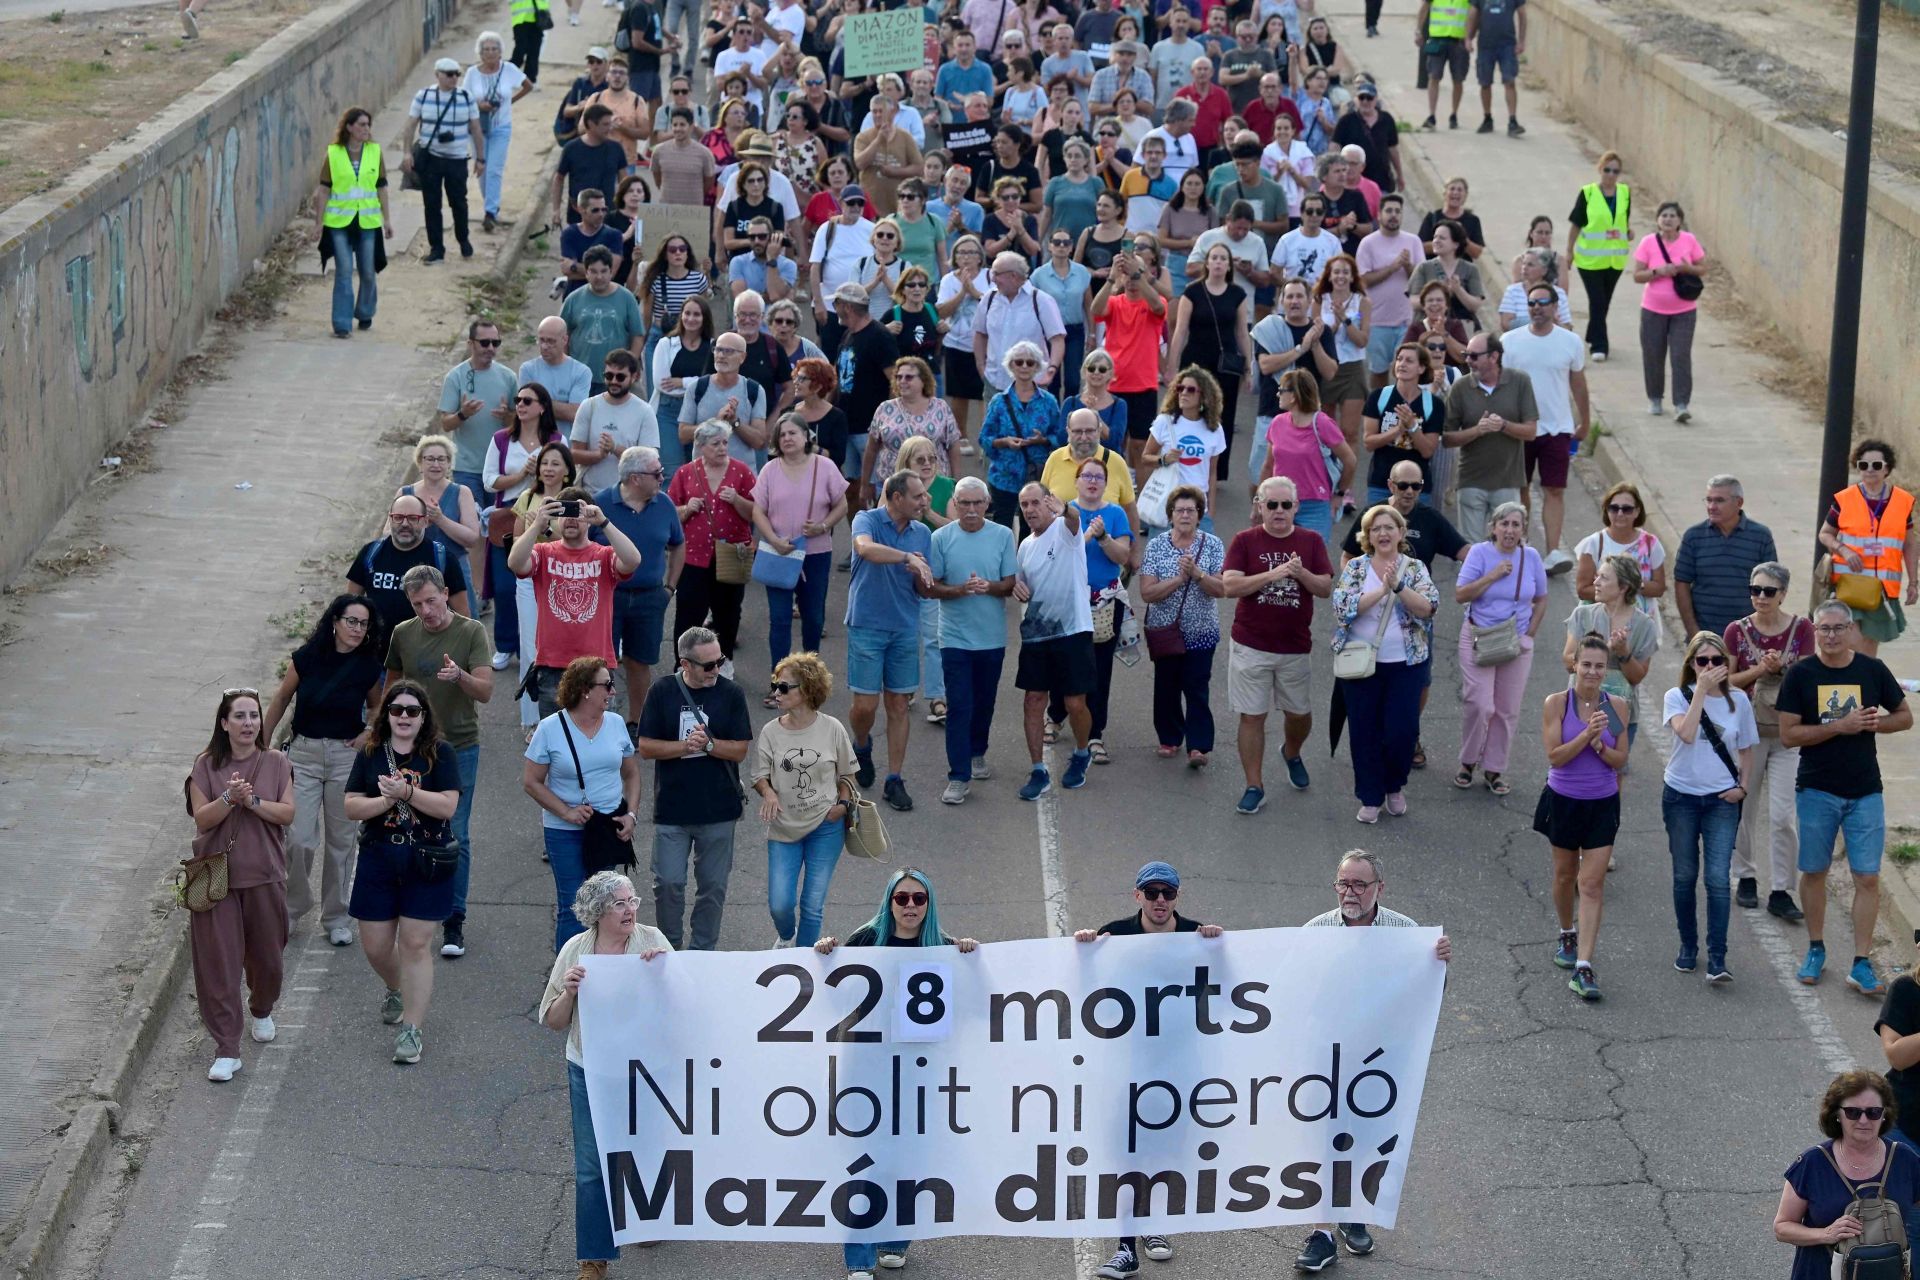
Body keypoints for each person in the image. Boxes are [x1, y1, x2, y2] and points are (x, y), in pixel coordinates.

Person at [813, 868, 979, 1279]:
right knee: (864, 1162)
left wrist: (973, 963)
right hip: (865, 1069)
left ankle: (895, 1239)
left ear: (929, 904)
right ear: (889, 902)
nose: (909, 906)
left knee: (907, 1161)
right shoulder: (865, 940)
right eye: (901, 898)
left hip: (918, 1074)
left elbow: (972, 1009)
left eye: (918, 899)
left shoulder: (943, 947)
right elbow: (834, 1000)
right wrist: (825, 958)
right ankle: (858, 1256)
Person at [1295, 849, 1452, 1270]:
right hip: (1326, 1056)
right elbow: (1291, 992)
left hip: (1383, 1059)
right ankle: (1321, 1232)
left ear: (1379, 888)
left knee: (1365, 1139)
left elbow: (1427, 995)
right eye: (1343, 883)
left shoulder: (1406, 932)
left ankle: (1352, 1213)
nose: (1350, 892)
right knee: (1322, 1139)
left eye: (1360, 884)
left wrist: (1438, 965)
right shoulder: (1315, 931)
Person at [1075, 859, 1226, 1280]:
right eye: (1152, 892)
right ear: (1137, 895)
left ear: (1177, 897)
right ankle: (1126, 1246)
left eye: (1169, 893)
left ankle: (1150, 1223)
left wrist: (1217, 947)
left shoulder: (1197, 935)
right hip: (1128, 1061)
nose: (1161, 901)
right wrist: (1086, 947)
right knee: (1128, 1150)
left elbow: (1230, 987)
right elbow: (1085, 983)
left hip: (1179, 1063)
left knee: (1161, 1150)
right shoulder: (1117, 933)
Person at [1780, 598, 1914, 995]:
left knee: (1867, 876)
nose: (1833, 635)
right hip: (1817, 789)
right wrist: (1841, 725)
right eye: (1825, 629)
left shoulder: (1871, 670)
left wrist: (1876, 724)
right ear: (1814, 630)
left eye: (1839, 628)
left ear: (1852, 629)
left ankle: (1861, 962)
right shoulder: (1801, 674)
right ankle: (1816, 949)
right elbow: (1789, 734)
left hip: (1865, 791)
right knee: (1815, 871)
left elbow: (1904, 717)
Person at [540, 872, 670, 1280]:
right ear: (598, 912)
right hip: (589, 1067)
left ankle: (646, 1217)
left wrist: (662, 973)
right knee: (593, 1165)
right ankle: (594, 1257)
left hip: (644, 1067)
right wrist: (570, 992)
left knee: (647, 1146)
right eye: (620, 903)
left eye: (632, 900)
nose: (630, 909)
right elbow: (554, 1021)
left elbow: (686, 1000)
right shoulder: (575, 951)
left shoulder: (651, 941)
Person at [344, 679, 461, 1063]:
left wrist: (407, 793)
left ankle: (412, 1029)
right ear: (386, 715)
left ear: (424, 716)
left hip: (425, 860)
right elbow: (351, 806)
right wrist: (385, 800)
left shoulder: (440, 753)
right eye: (397, 710)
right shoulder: (372, 753)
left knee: (414, 944)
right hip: (379, 856)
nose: (405, 717)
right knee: (376, 947)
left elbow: (447, 807)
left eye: (413, 711)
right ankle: (396, 986)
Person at [183, 690, 294, 1083]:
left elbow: (287, 812)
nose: (249, 723)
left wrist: (253, 802)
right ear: (224, 723)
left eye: (254, 716)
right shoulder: (205, 766)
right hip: (214, 878)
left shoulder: (277, 761)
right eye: (240, 716)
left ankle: (261, 1008)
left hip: (264, 876)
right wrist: (229, 797)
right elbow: (202, 819)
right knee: (218, 965)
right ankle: (227, 1048)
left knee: (269, 960)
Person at [261, 597, 385, 948]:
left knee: (342, 842)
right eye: (352, 621)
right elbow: (282, 698)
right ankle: (293, 906)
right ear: (335, 621)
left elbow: (377, 705)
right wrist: (263, 746)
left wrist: (368, 733)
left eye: (364, 624)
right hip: (303, 754)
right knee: (298, 837)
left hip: (346, 757)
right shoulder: (308, 656)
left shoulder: (368, 665)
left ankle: (336, 917)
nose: (358, 629)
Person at [383, 567, 492, 958]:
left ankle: (454, 919)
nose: (427, 610)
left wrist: (459, 675)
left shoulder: (470, 632)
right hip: (413, 748)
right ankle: (415, 911)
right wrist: (379, 732)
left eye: (432, 600)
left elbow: (486, 692)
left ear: (446, 593)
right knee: (409, 827)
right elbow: (391, 689)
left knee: (454, 833)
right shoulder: (403, 634)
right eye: (417, 604)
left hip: (460, 745)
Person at [635, 627, 752, 950]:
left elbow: (740, 749)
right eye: (708, 665)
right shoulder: (662, 691)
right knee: (669, 883)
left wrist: (711, 745)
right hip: (672, 809)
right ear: (685, 664)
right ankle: (669, 949)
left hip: (719, 810)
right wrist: (685, 747)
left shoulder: (731, 694)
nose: (717, 670)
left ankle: (702, 952)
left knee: (713, 887)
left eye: (720, 661)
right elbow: (645, 747)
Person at [1223, 475, 1333, 813]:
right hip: (1251, 645)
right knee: (1252, 717)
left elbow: (1325, 588)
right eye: (1272, 505)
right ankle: (1254, 785)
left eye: (1286, 505)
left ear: (1297, 507)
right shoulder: (1245, 540)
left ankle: (1291, 752)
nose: (1280, 511)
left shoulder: (1311, 541)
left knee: (1299, 715)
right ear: (1260, 506)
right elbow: (1230, 586)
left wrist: (1300, 574)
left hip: (1294, 647)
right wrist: (1273, 574)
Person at [523, 655, 640, 957]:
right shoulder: (550, 729)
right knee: (573, 905)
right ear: (586, 690)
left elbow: (631, 773)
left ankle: (601, 972)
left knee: (604, 904)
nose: (612, 691)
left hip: (606, 827)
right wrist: (566, 811)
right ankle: (567, 981)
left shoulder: (615, 724)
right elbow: (531, 781)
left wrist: (631, 814)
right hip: (564, 830)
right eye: (607, 685)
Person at [1536, 632, 1629, 1001]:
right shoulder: (1556, 704)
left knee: (1590, 884)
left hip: (1602, 803)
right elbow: (1555, 756)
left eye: (1599, 666)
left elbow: (1621, 760)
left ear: (1607, 670)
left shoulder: (1616, 707)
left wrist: (1602, 747)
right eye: (1586, 664)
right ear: (1574, 664)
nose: (1592, 672)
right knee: (1564, 876)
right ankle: (1566, 931)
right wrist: (1587, 736)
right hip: (1563, 799)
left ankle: (1584, 966)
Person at [1332, 503, 1439, 823]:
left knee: (1401, 732)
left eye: (1388, 527)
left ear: (1400, 533)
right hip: (1361, 663)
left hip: (1406, 664)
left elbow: (1429, 608)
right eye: (1375, 528)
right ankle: (1369, 795)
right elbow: (1342, 608)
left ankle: (1394, 786)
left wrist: (1399, 587)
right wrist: (1381, 591)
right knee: (1364, 731)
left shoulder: (1415, 568)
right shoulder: (1356, 568)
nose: (1382, 533)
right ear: (1367, 535)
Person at [1662, 629, 1756, 982]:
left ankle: (1718, 957)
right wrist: (1700, 690)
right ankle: (1688, 947)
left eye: (1718, 660)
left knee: (1718, 879)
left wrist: (1742, 788)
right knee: (1685, 876)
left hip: (1722, 801)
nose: (1711, 666)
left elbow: (1747, 748)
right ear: (1691, 663)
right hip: (1681, 797)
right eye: (1703, 660)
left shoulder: (1739, 701)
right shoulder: (1676, 696)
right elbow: (1685, 733)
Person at [1725, 561, 1814, 919]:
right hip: (1748, 735)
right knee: (1744, 807)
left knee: (1782, 816)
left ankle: (1781, 888)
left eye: (1768, 591)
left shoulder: (1802, 629)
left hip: (1787, 736)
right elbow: (1726, 680)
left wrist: (1782, 669)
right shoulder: (1736, 630)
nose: (1760, 597)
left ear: (1783, 594)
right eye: (1755, 590)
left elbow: (1807, 680)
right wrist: (1761, 670)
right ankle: (1745, 875)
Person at [509, 488, 643, 723]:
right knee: (557, 744)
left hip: (596, 665)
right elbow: (515, 562)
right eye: (565, 512)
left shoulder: (604, 555)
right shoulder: (542, 551)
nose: (571, 519)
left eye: (577, 512)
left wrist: (604, 522)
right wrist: (537, 525)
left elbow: (633, 560)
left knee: (598, 740)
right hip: (552, 664)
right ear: (556, 519)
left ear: (589, 518)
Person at [751, 651, 857, 946]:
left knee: (812, 904)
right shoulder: (770, 732)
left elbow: (848, 773)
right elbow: (758, 775)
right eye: (776, 685)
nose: (776, 692)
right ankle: (787, 937)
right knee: (780, 904)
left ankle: (803, 962)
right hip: (784, 827)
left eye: (784, 687)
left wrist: (842, 806)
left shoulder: (832, 728)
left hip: (826, 826)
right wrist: (768, 792)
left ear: (807, 690)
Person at [925, 477, 1019, 803]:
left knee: (984, 703)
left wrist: (988, 587)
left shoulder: (1003, 535)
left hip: (991, 638)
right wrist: (958, 590)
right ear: (955, 503)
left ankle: (977, 751)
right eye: (964, 503)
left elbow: (1010, 583)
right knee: (959, 706)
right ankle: (958, 775)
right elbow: (930, 586)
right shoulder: (940, 538)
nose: (971, 510)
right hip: (954, 639)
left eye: (977, 503)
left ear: (987, 504)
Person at [847, 471, 937, 810]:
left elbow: (923, 588)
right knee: (865, 707)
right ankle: (861, 743)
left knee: (899, 706)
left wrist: (921, 577)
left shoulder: (922, 533)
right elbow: (864, 549)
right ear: (896, 498)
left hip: (903, 627)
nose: (924, 501)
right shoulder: (866, 519)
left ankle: (894, 779)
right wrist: (906, 558)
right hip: (866, 625)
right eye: (917, 496)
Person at [1775, 1070, 1920, 1280]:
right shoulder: (1813, 1163)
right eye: (1853, 1112)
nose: (1864, 1120)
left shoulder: (1905, 1159)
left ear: (1884, 1114)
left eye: (1873, 1112)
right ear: (1837, 1115)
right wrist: (1825, 1234)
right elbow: (1782, 1227)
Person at [1455, 502, 1549, 795]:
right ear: (1493, 527)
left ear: (1523, 530)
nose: (1509, 530)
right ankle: (1468, 761)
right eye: (1504, 524)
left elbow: (1542, 597)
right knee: (1480, 704)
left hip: (1515, 641)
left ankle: (1494, 768)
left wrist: (1530, 634)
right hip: (1479, 636)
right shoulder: (1480, 554)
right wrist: (1492, 576)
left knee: (1507, 710)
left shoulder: (1531, 557)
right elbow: (1461, 594)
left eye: (1516, 525)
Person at [1044, 456, 1132, 763]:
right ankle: (1055, 715)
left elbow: (1123, 556)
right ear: (1077, 481)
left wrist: (1105, 536)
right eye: (1087, 476)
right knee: (1062, 662)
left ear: (1106, 484)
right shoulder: (1064, 511)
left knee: (1099, 668)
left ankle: (1094, 734)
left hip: (1104, 603)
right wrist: (1089, 534)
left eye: (1099, 477)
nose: (1093, 481)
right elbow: (1060, 555)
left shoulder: (1116, 513)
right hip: (1068, 601)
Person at [595, 446, 684, 734]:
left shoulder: (665, 505)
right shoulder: (600, 506)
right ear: (635, 478)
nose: (662, 478)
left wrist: (670, 587)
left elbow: (678, 544)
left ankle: (637, 721)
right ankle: (596, 722)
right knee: (600, 663)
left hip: (649, 598)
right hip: (609, 597)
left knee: (640, 661)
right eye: (657, 473)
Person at [753, 414, 848, 676]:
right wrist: (772, 539)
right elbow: (757, 511)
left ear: (806, 437)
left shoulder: (825, 466)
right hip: (779, 553)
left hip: (815, 553)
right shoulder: (769, 470)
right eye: (782, 434)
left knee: (813, 618)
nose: (787, 438)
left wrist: (823, 526)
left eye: (792, 433)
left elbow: (842, 504)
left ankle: (810, 676)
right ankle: (780, 680)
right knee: (780, 620)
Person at [1140, 486, 1227, 765]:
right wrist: (1179, 579)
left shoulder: (1212, 544)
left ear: (1199, 515)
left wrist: (1197, 574)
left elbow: (1221, 589)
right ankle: (1169, 737)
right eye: (1180, 510)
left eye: (1192, 510)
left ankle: (1198, 746)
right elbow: (1147, 592)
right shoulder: (1156, 545)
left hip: (1201, 631)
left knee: (1196, 687)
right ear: (1170, 515)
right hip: (1165, 631)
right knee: (1166, 687)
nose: (1186, 515)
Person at [437, 319, 518, 593]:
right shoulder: (456, 377)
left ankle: (501, 587)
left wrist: (509, 415)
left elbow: (520, 419)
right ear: (470, 344)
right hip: (468, 468)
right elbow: (445, 424)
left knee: (502, 532)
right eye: (485, 343)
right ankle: (476, 592)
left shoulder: (507, 377)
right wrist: (463, 414)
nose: (491, 348)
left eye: (496, 343)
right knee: (473, 535)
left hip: (501, 471)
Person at [1819, 438, 1918, 658]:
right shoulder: (1844, 500)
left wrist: (1913, 582)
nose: (1869, 470)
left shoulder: (1902, 501)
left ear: (1887, 469)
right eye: (1863, 465)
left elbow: (1910, 543)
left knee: (1868, 648)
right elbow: (1825, 533)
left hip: (1881, 589)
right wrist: (1843, 549)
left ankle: (1863, 687)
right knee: (1850, 642)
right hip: (1848, 585)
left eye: (1876, 465)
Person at [669, 421, 758, 668]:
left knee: (728, 612)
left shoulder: (741, 472)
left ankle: (724, 660)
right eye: (715, 443)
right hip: (693, 556)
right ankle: (683, 663)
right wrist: (687, 508)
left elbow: (756, 512)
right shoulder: (686, 472)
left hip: (730, 555)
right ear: (700, 446)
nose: (722, 448)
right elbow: (670, 511)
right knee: (688, 612)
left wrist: (737, 499)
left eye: (725, 443)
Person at [1164, 242, 1252, 481]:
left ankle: (1216, 470)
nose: (1219, 262)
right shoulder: (1193, 292)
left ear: (1229, 265)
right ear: (1207, 263)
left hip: (1226, 362)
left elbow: (1242, 332)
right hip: (1196, 360)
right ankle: (1187, 461)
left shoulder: (1237, 294)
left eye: (1223, 259)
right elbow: (1180, 331)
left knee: (1224, 414)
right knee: (1191, 412)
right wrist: (1172, 367)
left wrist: (1249, 367)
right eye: (1214, 258)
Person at [1440, 331, 1538, 542]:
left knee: (1508, 547)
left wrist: (1503, 425)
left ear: (1494, 357)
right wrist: (1478, 430)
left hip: (1507, 481)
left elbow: (1531, 432)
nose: (1468, 360)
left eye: (1474, 356)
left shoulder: (1520, 382)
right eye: (1467, 355)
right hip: (1470, 481)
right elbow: (1447, 438)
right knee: (1471, 551)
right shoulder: (1460, 387)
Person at [1562, 555, 1656, 764]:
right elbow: (1569, 661)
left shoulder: (1644, 625)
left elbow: (1637, 676)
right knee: (1571, 764)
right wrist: (1605, 650)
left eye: (1603, 578)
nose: (1595, 582)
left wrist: (1623, 653)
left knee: (1612, 769)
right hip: (1579, 705)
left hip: (1616, 709)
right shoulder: (1582, 615)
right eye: (1597, 577)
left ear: (1623, 587)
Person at [312, 107, 392, 339]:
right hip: (339, 223)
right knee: (344, 270)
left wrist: (387, 220)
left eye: (368, 125)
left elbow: (382, 187)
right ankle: (342, 323)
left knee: (368, 271)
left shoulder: (375, 153)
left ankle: (365, 311)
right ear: (349, 127)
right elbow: (323, 190)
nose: (366, 129)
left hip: (367, 222)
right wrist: (319, 223)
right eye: (361, 125)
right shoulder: (334, 154)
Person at [1090, 245, 1168, 473]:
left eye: (1137, 274)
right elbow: (1096, 309)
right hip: (1114, 384)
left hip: (1143, 385)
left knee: (1140, 445)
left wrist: (1138, 273)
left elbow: (1158, 306)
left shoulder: (1155, 302)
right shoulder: (1115, 302)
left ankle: (1141, 500)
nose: (1132, 280)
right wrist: (1112, 279)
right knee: (1112, 443)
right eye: (1129, 275)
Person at [1675, 474, 1779, 642]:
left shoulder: (1761, 536)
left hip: (1749, 638)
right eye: (1708, 500)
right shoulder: (1693, 537)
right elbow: (1681, 584)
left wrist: (1763, 630)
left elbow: (1772, 585)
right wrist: (1694, 633)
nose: (1711, 506)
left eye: (1719, 501)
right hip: (1705, 637)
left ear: (1739, 503)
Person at [1630, 199, 1709, 419]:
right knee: (1653, 354)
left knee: (1680, 355)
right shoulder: (1648, 243)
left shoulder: (1689, 240)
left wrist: (1687, 268)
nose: (1668, 219)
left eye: (1672, 216)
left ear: (1680, 221)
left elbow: (1703, 268)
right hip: (1653, 309)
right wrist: (1658, 272)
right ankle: (1655, 398)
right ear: (1657, 220)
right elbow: (1637, 275)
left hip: (1684, 310)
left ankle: (1681, 404)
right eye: (1664, 215)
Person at [347, 493, 472, 630]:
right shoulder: (370, 553)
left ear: (425, 521)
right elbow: (350, 605)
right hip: (376, 648)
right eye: (398, 517)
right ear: (390, 519)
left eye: (413, 518)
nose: (405, 524)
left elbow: (463, 616)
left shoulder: (443, 559)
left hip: (426, 648)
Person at [404, 59, 485, 263]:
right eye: (449, 74)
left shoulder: (466, 98)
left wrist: (480, 158)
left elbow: (476, 128)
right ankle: (436, 248)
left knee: (459, 202)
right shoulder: (424, 96)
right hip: (431, 158)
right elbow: (411, 124)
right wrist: (407, 152)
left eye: (457, 74)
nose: (454, 78)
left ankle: (463, 239)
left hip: (457, 159)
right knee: (432, 204)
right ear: (437, 74)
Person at [1357, 342, 1443, 511]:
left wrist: (1412, 427)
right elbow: (1368, 442)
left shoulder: (1433, 404)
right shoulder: (1378, 397)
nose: (1402, 364)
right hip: (1381, 484)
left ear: (1421, 368)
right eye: (1399, 359)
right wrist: (1398, 430)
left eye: (1409, 360)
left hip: (1418, 489)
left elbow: (1428, 451)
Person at [1566, 151, 1630, 362]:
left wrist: (1628, 232)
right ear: (1600, 169)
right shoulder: (1588, 193)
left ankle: (1593, 333)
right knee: (1597, 301)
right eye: (1607, 170)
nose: (1611, 175)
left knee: (1604, 302)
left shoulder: (1625, 193)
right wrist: (1569, 252)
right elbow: (1576, 224)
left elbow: (1622, 221)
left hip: (1615, 260)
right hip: (1590, 260)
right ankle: (1599, 346)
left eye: (1615, 171)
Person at [464, 32, 531, 234]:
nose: (491, 53)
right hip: (477, 128)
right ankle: (491, 205)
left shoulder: (509, 69)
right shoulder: (472, 73)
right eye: (486, 49)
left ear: (501, 51)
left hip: (501, 127)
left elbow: (528, 86)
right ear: (480, 52)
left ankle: (490, 213)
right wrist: (479, 105)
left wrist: (510, 102)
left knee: (494, 169)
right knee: (482, 171)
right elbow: (464, 98)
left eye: (494, 49)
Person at [568, 350, 659, 493]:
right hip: (591, 493)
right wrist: (597, 455)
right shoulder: (589, 406)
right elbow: (574, 454)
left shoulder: (644, 411)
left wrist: (615, 448)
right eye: (609, 376)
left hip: (629, 496)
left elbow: (649, 461)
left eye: (620, 377)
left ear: (634, 377)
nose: (614, 381)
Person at [863, 356, 960, 485]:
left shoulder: (940, 407)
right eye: (899, 377)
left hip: (934, 485)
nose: (902, 381)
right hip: (893, 486)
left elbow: (953, 446)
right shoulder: (885, 408)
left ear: (923, 380)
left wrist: (957, 483)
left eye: (909, 377)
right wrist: (865, 484)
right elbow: (871, 449)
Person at [649, 295, 714, 478]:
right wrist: (696, 381)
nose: (691, 319)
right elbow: (662, 384)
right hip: (668, 411)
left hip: (699, 411)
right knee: (671, 471)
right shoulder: (666, 344)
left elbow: (711, 382)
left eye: (697, 314)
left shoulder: (712, 346)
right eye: (687, 313)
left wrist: (682, 381)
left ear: (705, 318)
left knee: (699, 469)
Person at [397, 434, 482, 562]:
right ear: (420, 462)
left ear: (449, 463)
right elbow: (388, 534)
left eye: (441, 459)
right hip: (412, 566)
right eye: (430, 459)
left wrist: (440, 519)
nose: (436, 464)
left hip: (454, 568)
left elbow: (472, 539)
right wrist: (417, 525)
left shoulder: (462, 492)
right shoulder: (405, 493)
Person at [1405, 219, 1485, 331]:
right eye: (1435, 237)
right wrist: (1436, 297)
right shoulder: (1423, 267)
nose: (1436, 241)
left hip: (1461, 328)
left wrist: (1458, 290)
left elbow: (1475, 305)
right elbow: (1413, 300)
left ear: (1456, 244)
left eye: (1442, 238)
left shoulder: (1470, 269)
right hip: (1427, 328)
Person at [521, 317, 594, 426]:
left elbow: (574, 413)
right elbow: (525, 408)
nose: (545, 346)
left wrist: (537, 401)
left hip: (564, 441)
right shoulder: (528, 369)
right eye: (541, 340)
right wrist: (561, 406)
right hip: (536, 440)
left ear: (565, 340)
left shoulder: (581, 372)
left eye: (551, 341)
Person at [556, 189, 628, 298]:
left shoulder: (614, 235)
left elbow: (611, 273)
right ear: (581, 210)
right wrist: (601, 271)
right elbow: (567, 271)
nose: (601, 214)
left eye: (604, 209)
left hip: (605, 298)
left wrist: (574, 266)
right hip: (576, 296)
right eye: (595, 210)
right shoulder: (569, 234)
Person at [1415, 0, 1470, 130]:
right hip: (1437, 39)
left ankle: (1454, 115)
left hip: (1458, 41)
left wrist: (1470, 37)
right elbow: (1424, 8)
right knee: (1434, 77)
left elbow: (1474, 12)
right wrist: (1419, 31)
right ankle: (1432, 115)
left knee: (1458, 80)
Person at [1498, 248, 1572, 331]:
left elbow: (1567, 327)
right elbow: (1506, 324)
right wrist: (1546, 322)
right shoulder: (1512, 291)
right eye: (1524, 264)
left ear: (1544, 270)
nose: (1524, 268)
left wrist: (1557, 324)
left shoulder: (1559, 293)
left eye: (1530, 265)